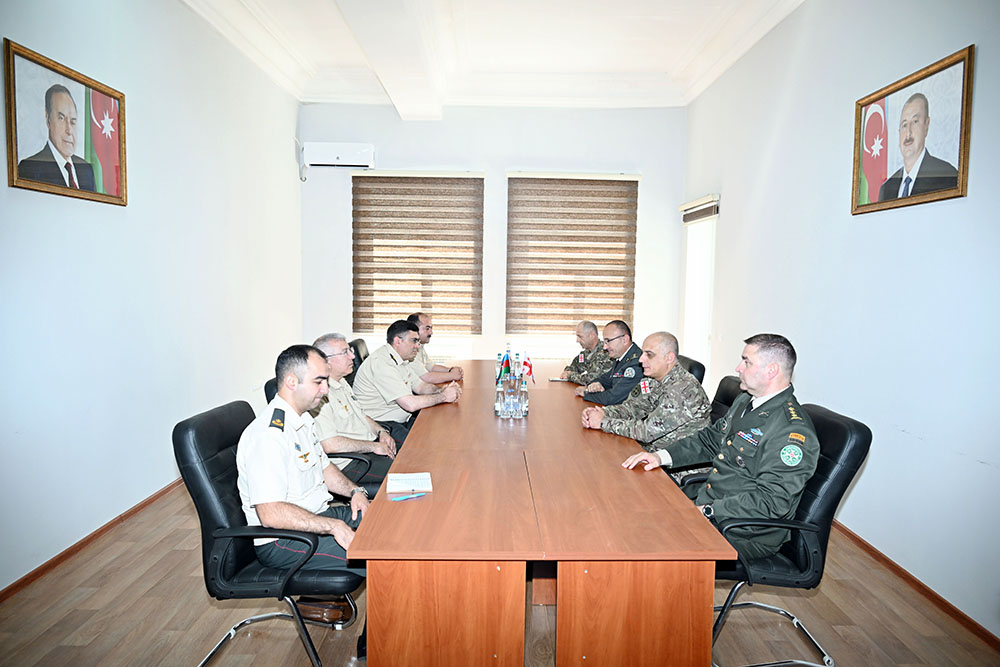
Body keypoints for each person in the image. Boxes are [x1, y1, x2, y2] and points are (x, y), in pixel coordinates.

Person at [622, 334, 818, 561]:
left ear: (771, 370)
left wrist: (708, 511)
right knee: (638, 511)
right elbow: (710, 440)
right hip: (710, 500)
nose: (738, 368)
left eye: (746, 362)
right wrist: (660, 456)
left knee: (648, 544)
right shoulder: (745, 401)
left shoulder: (791, 430)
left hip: (742, 531)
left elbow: (772, 502)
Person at [236, 344, 369, 576]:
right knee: (381, 556)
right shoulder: (268, 436)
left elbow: (324, 467)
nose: (326, 390)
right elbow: (271, 514)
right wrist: (333, 526)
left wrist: (354, 491)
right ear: (291, 382)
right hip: (283, 539)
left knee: (385, 522)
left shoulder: (303, 419)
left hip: (317, 516)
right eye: (319, 382)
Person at [582, 332, 710, 450]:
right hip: (652, 450)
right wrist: (603, 412)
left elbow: (647, 432)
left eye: (649, 354)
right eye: (643, 353)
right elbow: (634, 407)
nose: (641, 359)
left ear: (669, 358)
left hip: (676, 461)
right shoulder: (653, 379)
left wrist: (603, 422)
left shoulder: (683, 389)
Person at [352, 319, 462, 442]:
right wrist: (443, 396)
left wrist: (441, 390)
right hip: (382, 425)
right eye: (414, 341)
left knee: (439, 431)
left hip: (402, 418)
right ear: (398, 341)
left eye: (418, 341)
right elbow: (410, 404)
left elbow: (421, 386)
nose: (418, 346)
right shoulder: (382, 363)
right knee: (423, 446)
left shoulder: (400, 359)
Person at [311, 333, 398, 487]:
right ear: (326, 360)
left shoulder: (341, 382)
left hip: (368, 447)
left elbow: (361, 415)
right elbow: (330, 444)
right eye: (345, 352)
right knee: (407, 470)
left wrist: (381, 432)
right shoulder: (319, 395)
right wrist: (374, 447)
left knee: (413, 453)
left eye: (350, 350)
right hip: (351, 463)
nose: (352, 356)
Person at [878, 92, 958, 201]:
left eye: (915, 122)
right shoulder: (886, 189)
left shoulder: (947, 176)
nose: (908, 133)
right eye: (904, 125)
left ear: (926, 126)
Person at [17, 84, 96, 191]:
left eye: (73, 122)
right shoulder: (29, 169)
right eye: (61, 118)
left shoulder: (86, 169)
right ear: (48, 119)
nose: (69, 131)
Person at [574, 320, 642, 406]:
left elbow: (613, 398)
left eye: (608, 341)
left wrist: (586, 393)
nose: (605, 347)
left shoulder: (636, 363)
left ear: (624, 340)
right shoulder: (621, 357)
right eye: (604, 342)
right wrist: (594, 385)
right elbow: (606, 379)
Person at [406, 312, 463, 383]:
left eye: (431, 328)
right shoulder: (408, 350)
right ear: (414, 329)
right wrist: (453, 375)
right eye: (427, 328)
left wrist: (450, 370)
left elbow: (431, 367)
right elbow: (427, 377)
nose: (431, 332)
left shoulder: (420, 346)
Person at [560, 320, 613, 385]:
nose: (577, 340)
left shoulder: (604, 353)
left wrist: (570, 375)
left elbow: (591, 380)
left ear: (592, 335)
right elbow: (574, 366)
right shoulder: (586, 353)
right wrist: (567, 371)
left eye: (580, 336)